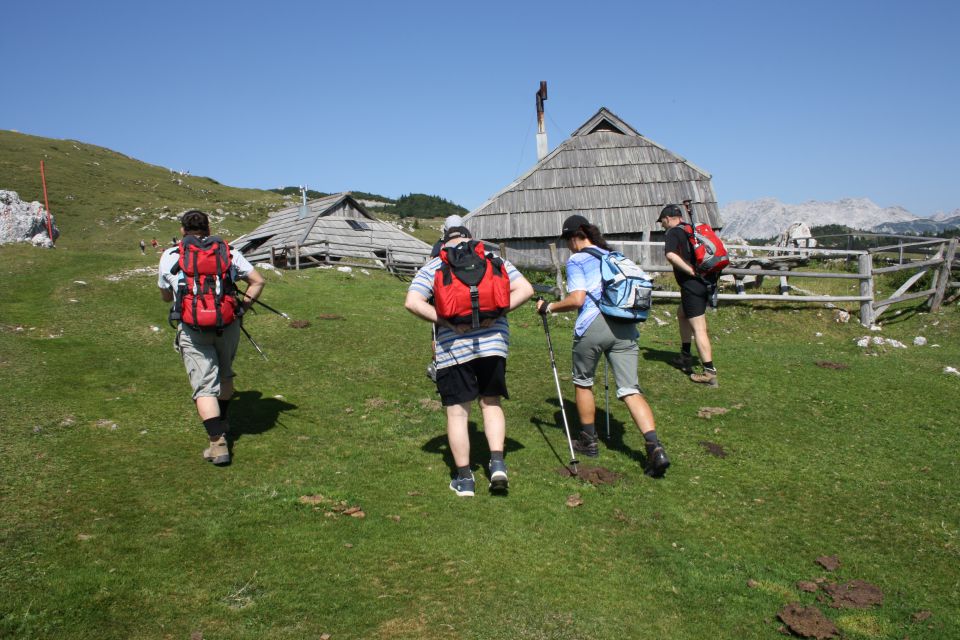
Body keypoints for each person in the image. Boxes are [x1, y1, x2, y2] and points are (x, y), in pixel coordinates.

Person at [535, 214, 670, 478]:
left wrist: (548, 307)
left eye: (567, 240)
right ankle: (655, 447)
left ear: (575, 237)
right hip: (626, 325)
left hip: (594, 325)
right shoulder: (613, 256)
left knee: (583, 381)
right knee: (631, 389)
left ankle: (589, 440)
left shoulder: (578, 259)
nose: (568, 246)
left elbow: (576, 299)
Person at [405, 223, 534, 497]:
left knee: (457, 412)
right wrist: (497, 314)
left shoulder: (435, 265)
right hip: (493, 344)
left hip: (455, 347)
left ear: (444, 242)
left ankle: (465, 479)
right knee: (491, 403)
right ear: (470, 239)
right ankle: (497, 464)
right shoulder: (494, 259)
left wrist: (447, 323)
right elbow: (526, 290)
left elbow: (413, 302)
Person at [158, 210, 265, 465]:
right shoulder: (227, 252)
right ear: (208, 228)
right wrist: (241, 308)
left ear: (183, 231)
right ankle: (224, 419)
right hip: (227, 325)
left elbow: (165, 295)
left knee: (204, 384)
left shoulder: (171, 255)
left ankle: (217, 444)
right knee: (225, 373)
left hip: (192, 328)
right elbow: (257, 281)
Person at [658, 204, 719, 386]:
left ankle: (709, 372)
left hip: (693, 284)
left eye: (662, 221)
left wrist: (690, 271)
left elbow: (670, 255)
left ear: (668, 218)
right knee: (681, 313)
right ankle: (685, 356)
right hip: (704, 283)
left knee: (699, 329)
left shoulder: (673, 232)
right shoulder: (690, 230)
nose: (662, 225)